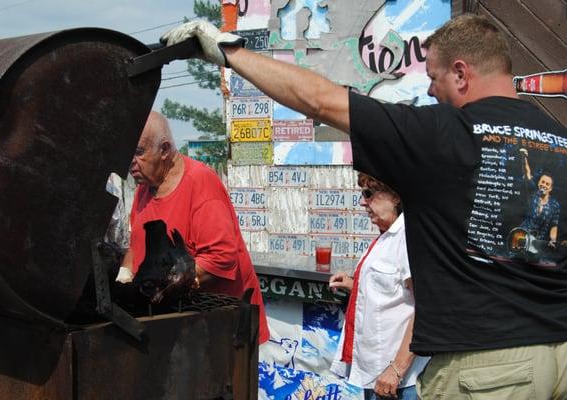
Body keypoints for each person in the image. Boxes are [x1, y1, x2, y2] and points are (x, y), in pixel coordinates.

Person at [161, 13, 567, 398]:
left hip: (491, 370)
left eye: (434, 78)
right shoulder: (559, 139)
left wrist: (229, 52)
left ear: (461, 73)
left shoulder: (442, 133)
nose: (429, 91)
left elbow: (320, 100)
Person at [115, 111, 269, 344]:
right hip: (180, 322)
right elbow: (135, 247)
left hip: (225, 324)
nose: (131, 162)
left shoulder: (200, 183)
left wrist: (165, 284)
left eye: (138, 152)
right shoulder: (144, 189)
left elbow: (221, 257)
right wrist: (123, 281)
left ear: (164, 150)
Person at [329, 173, 428, 400]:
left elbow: (426, 307)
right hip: (379, 374)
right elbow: (391, 292)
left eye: (369, 194)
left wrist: (397, 369)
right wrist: (355, 286)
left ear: (394, 197)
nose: (363, 202)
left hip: (399, 380)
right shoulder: (387, 236)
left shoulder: (407, 237)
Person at [519, 148, 560, 245]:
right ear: (538, 183)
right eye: (542, 182)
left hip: (537, 242)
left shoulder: (554, 204)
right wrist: (524, 158)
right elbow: (527, 173)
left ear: (550, 188)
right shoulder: (533, 192)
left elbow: (554, 225)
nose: (544, 185)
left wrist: (553, 240)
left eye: (547, 184)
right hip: (521, 236)